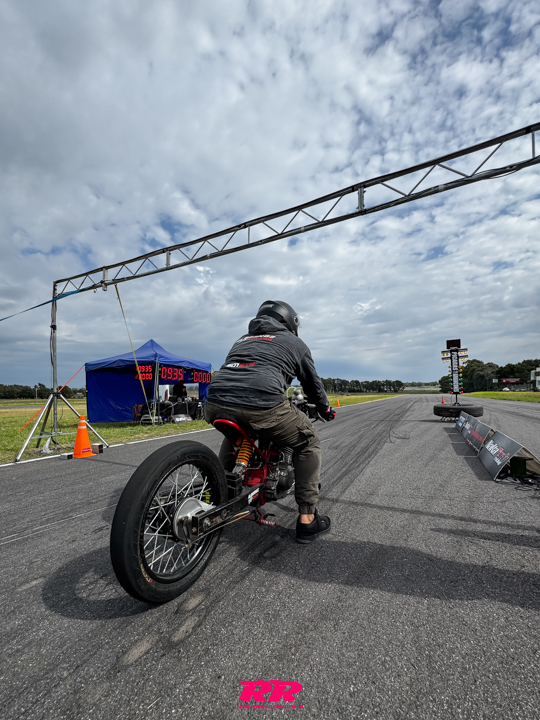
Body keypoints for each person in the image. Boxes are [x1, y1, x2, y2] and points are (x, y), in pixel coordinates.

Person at [204, 300, 336, 543]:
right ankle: (308, 519)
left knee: (239, 434)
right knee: (308, 441)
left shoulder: (242, 339)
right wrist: (325, 408)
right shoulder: (295, 343)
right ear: (289, 322)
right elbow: (312, 385)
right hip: (262, 402)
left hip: (215, 401)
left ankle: (218, 491)